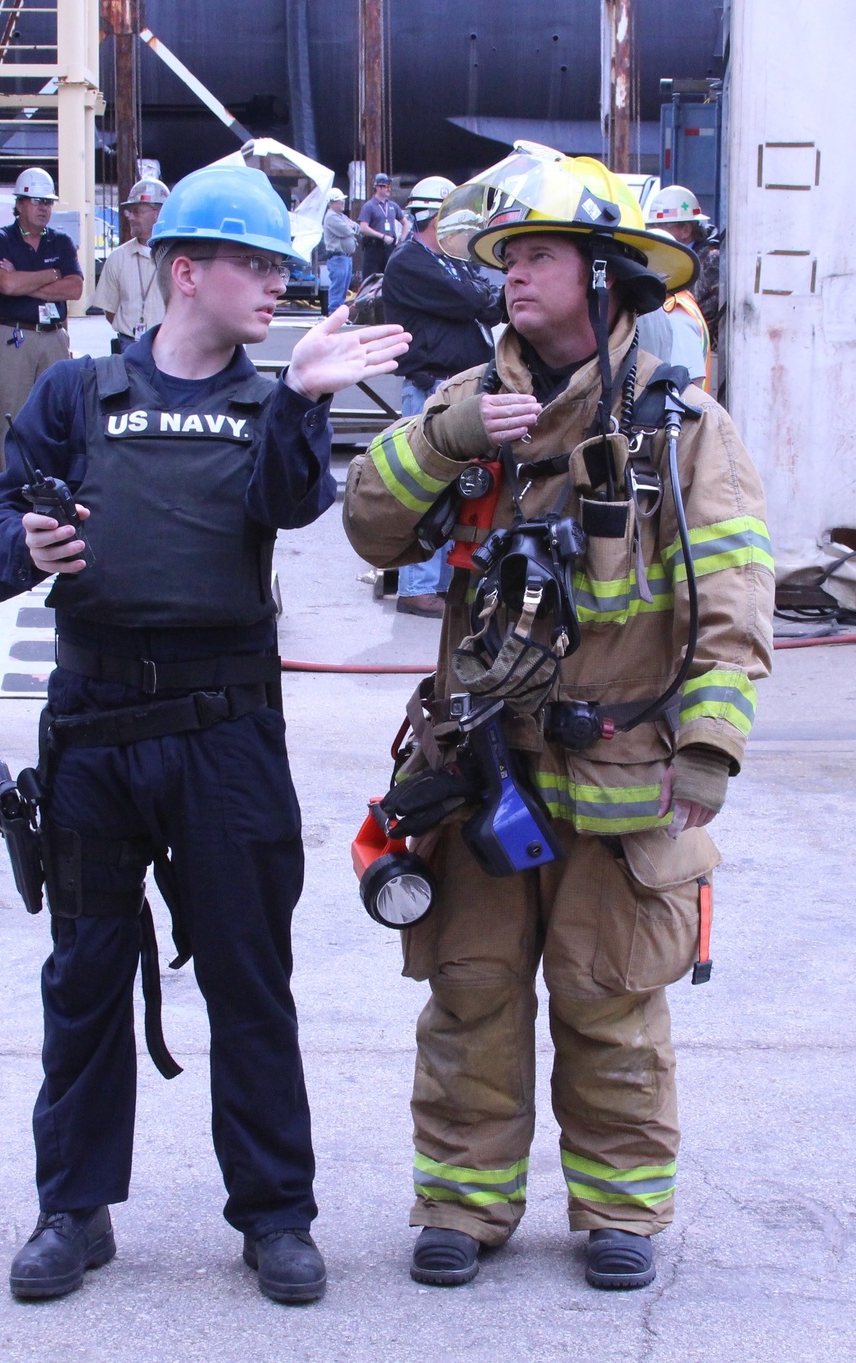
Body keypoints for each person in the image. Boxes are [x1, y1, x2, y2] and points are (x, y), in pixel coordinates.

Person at [0, 164, 408, 1306]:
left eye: (281, 268)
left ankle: (274, 1214)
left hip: (224, 732)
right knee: (82, 976)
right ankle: (73, 1207)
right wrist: (30, 540)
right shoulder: (75, 394)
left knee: (250, 977)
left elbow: (280, 504)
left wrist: (305, 395)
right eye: (255, 265)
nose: (277, 286)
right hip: (95, 729)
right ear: (185, 270)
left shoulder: (274, 404)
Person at [343, 148, 773, 1292]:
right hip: (479, 766)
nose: (513, 277)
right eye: (509, 258)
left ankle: (619, 1210)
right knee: (470, 988)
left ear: (601, 274)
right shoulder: (469, 408)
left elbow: (731, 592)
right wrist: (448, 438)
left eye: (535, 255)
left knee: (609, 997)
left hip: (623, 771)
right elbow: (367, 527)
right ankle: (463, 1203)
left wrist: (710, 742)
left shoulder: (680, 430)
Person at [381, 175, 503, 617]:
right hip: (432, 389)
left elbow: (485, 297)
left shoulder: (451, 261)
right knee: (428, 486)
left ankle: (445, 581)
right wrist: (485, 294)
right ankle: (417, 587)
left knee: (461, 489)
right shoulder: (410, 263)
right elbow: (475, 301)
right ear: (439, 218)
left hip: (458, 389)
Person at [0, 167, 83, 477]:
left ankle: (51, 491)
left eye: (48, 202)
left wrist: (26, 282)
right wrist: (52, 275)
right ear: (20, 204)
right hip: (14, 337)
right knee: (9, 420)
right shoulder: (0, 240)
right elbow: (7, 286)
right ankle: (3, 498)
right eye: (36, 201)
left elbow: (75, 288)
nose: (43, 208)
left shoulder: (61, 242)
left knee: (56, 418)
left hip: (53, 336)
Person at [91, 177, 169, 351]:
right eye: (129, 212)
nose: (130, 217)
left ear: (159, 213)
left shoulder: (178, 257)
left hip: (171, 346)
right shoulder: (118, 258)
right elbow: (109, 311)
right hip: (129, 346)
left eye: (137, 211)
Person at [646, 184, 719, 353]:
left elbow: (705, 320)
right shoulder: (672, 260)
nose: (656, 232)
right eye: (653, 226)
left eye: (663, 226)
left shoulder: (709, 263)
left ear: (686, 230)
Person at [357, 172, 408, 279]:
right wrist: (382, 236)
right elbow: (363, 228)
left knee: (390, 277)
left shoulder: (392, 206)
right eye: (386, 186)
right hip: (374, 248)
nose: (389, 189)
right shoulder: (369, 206)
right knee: (371, 279)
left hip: (389, 248)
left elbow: (405, 223)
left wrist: (401, 241)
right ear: (378, 187)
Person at [322, 187, 359, 315]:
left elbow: (356, 226)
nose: (343, 203)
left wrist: (352, 225)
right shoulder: (331, 217)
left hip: (345, 257)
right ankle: (333, 314)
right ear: (332, 203)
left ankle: (339, 315)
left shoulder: (341, 216)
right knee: (338, 287)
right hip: (338, 257)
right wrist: (351, 226)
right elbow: (348, 230)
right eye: (339, 201)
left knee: (343, 288)